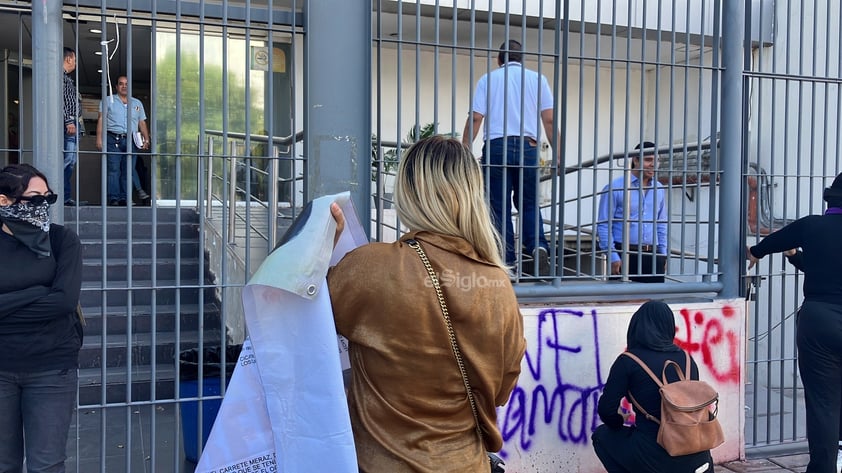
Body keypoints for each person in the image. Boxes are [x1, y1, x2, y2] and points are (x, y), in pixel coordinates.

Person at [328, 136, 526, 472]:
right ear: (471, 194)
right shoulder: (497, 283)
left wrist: (322, 249)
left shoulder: (369, 267)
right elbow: (502, 391)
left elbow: (296, 322)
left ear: (409, 192)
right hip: (466, 463)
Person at [748, 172, 842, 473]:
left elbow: (771, 242)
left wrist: (756, 252)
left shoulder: (812, 225)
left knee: (823, 404)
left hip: (819, 321)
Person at [0, 164, 83, 473]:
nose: (43, 206)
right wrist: (37, 291)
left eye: (48, 198)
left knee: (47, 464)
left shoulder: (62, 241)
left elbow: (64, 301)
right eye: (34, 198)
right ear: (4, 201)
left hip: (52, 367)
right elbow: (51, 298)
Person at [462, 39, 560, 274]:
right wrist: (557, 152)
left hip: (497, 147)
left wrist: (465, 148)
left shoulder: (488, 79)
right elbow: (548, 119)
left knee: (499, 206)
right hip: (529, 146)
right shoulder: (538, 80)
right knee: (528, 202)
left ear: (499, 59)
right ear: (522, 59)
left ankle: (507, 261)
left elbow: (476, 118)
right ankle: (537, 245)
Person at [592, 300, 714, 473]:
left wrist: (621, 423)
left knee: (601, 436)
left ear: (636, 327)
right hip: (698, 454)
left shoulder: (628, 362)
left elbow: (606, 410)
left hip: (655, 458)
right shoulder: (686, 359)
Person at [596, 141, 668, 283]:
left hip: (653, 254)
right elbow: (604, 225)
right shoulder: (615, 187)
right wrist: (613, 256)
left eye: (657, 160)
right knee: (623, 302)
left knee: (655, 301)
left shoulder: (659, 188)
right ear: (635, 160)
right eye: (648, 160)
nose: (653, 164)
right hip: (625, 253)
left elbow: (661, 223)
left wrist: (663, 254)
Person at [96, 75, 150, 206]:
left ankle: (125, 198)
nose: (124, 86)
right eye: (121, 84)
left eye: (126, 84)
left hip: (131, 140)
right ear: (116, 87)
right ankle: (114, 198)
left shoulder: (137, 103)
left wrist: (146, 139)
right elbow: (101, 119)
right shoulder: (108, 100)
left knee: (128, 170)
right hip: (112, 138)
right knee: (114, 170)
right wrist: (99, 139)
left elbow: (141, 123)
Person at [62, 47, 80, 206]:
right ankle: (59, 195)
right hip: (68, 124)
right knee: (66, 160)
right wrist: (68, 121)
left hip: (72, 123)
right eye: (74, 59)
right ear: (68, 59)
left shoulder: (66, 78)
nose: (75, 62)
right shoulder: (59, 77)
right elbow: (60, 100)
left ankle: (65, 197)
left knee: (70, 161)